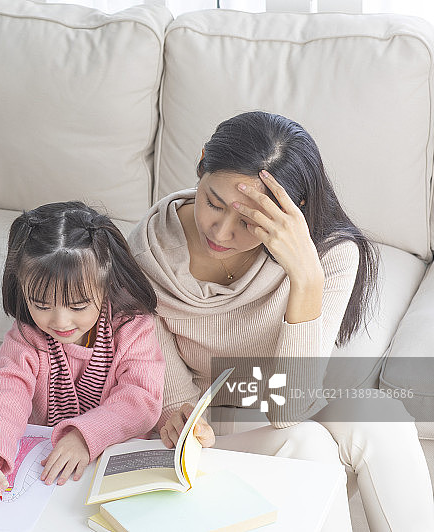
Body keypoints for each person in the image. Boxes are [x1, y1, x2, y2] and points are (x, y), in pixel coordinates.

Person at [128, 111, 434, 531]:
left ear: (293, 210)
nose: (220, 230)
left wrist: (306, 276)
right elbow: (175, 405)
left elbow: (291, 403)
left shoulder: (330, 254)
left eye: (251, 221)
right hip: (213, 420)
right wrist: (178, 419)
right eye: (213, 202)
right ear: (201, 163)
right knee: (307, 444)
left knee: (381, 417)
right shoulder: (146, 255)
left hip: (287, 395)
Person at [0, 201, 165, 506]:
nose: (59, 322)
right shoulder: (28, 334)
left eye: (79, 306)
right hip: (47, 474)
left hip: (112, 462)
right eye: (42, 306)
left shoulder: (131, 326)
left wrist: (84, 437)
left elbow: (140, 399)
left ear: (106, 286)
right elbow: (6, 390)